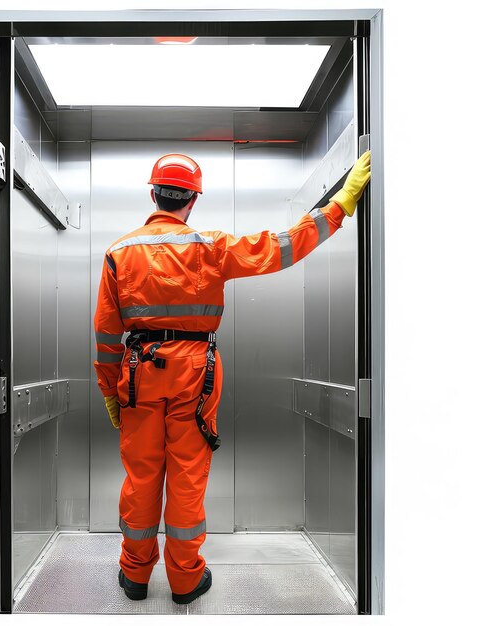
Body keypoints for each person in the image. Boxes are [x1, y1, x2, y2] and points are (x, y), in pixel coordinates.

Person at [93, 151, 371, 604]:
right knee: (186, 475)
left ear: (153, 194)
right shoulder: (212, 247)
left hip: (137, 375)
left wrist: (109, 389)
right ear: (193, 200)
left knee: (141, 475)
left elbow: (106, 333)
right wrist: (340, 203)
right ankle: (184, 580)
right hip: (194, 374)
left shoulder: (119, 252)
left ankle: (134, 577)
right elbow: (282, 247)